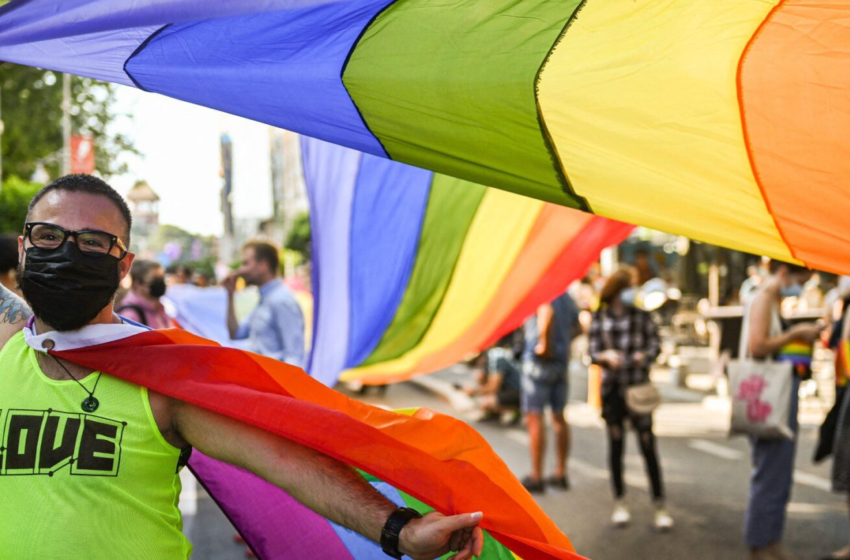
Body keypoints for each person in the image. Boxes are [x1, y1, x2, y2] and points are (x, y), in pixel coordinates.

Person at [0, 174, 484, 560]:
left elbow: (285, 460)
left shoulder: (161, 377)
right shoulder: (9, 345)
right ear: (23, 248)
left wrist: (399, 529)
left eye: (91, 243)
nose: (65, 253)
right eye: (47, 236)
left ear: (123, 266)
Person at [741, 259, 823, 560]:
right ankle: (759, 545)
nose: (800, 287)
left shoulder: (770, 299)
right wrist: (796, 332)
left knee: (779, 474)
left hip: (778, 395)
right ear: (785, 272)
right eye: (800, 280)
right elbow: (758, 346)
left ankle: (771, 539)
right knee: (769, 475)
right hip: (769, 398)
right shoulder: (762, 298)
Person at [588, 268, 672, 531]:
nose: (633, 291)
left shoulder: (642, 317)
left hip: (638, 389)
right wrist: (605, 357)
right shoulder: (599, 317)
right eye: (630, 286)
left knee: (648, 445)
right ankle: (620, 502)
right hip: (613, 391)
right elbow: (591, 352)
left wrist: (642, 357)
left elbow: (656, 346)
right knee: (616, 446)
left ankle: (659, 505)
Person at [520, 292, 579, 494]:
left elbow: (546, 311)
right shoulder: (567, 296)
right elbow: (578, 327)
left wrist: (544, 344)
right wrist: (563, 343)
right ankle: (560, 472)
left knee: (534, 417)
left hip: (539, 364)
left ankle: (536, 476)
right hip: (560, 364)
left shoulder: (543, 291)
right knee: (558, 416)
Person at [223, 240, 306, 368]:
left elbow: (294, 357)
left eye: (246, 263)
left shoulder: (281, 300)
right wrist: (230, 295)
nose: (241, 270)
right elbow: (235, 333)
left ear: (263, 265)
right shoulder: (265, 299)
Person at [117, 259, 172, 329]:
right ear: (138, 284)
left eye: (162, 278)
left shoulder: (158, 308)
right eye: (155, 280)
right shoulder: (130, 315)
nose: (161, 283)